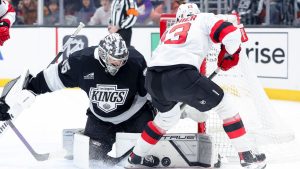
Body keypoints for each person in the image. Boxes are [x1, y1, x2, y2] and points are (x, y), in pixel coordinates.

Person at [127, 3, 266, 169]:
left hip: (153, 79)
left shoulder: (169, 31)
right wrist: (230, 53)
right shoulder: (203, 18)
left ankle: (135, 157)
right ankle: (247, 155)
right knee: (225, 106)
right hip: (182, 74)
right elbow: (231, 33)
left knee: (165, 119)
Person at [0, 33, 156, 165]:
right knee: (93, 160)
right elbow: (51, 78)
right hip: (101, 119)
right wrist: (18, 98)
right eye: (114, 60)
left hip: (134, 115)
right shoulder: (81, 61)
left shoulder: (135, 62)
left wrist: (166, 105)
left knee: (150, 157)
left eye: (122, 60)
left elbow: (151, 90)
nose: (119, 64)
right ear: (102, 54)